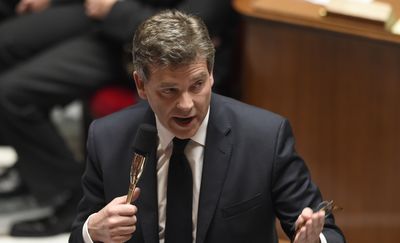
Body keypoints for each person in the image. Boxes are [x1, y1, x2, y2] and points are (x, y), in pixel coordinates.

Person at [69, 10, 345, 243]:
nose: (186, 104)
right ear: (141, 85)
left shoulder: (264, 138)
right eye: (170, 90)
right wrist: (93, 231)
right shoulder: (107, 138)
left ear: (211, 74)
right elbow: (82, 232)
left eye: (197, 85)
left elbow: (327, 231)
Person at [0, 0, 237, 237]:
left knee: (9, 91)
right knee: (6, 62)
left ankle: (72, 198)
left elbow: (189, 35)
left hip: (161, 64)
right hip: (110, 35)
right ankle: (35, 173)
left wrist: (115, 9)